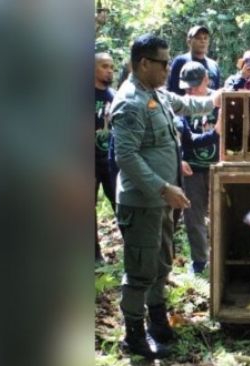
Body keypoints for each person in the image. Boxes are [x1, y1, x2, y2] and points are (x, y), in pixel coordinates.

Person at [110, 34, 222, 359]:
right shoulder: (131, 101)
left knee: (160, 264)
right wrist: (164, 187)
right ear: (143, 63)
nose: (168, 69)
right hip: (143, 202)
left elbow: (186, 103)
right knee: (140, 269)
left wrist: (217, 99)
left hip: (162, 201)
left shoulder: (156, 93)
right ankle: (134, 333)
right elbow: (126, 158)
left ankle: (156, 319)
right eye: (164, 63)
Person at [176, 61, 221, 274]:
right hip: (192, 168)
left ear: (206, 80)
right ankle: (200, 262)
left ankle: (223, 258)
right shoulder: (180, 104)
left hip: (219, 168)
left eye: (195, 85)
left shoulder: (221, 100)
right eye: (187, 86)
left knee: (223, 215)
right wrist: (216, 133)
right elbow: (187, 139)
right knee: (193, 218)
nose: (191, 90)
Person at [95, 52, 117, 262]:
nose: (109, 70)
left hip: (110, 160)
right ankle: (94, 255)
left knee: (119, 202)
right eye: (104, 66)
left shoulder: (115, 96)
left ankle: (132, 249)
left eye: (111, 66)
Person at [166, 25, 221, 95]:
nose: (203, 41)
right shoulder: (180, 61)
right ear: (189, 41)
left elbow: (216, 92)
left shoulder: (213, 65)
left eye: (205, 38)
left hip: (209, 105)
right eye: (198, 38)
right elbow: (172, 90)